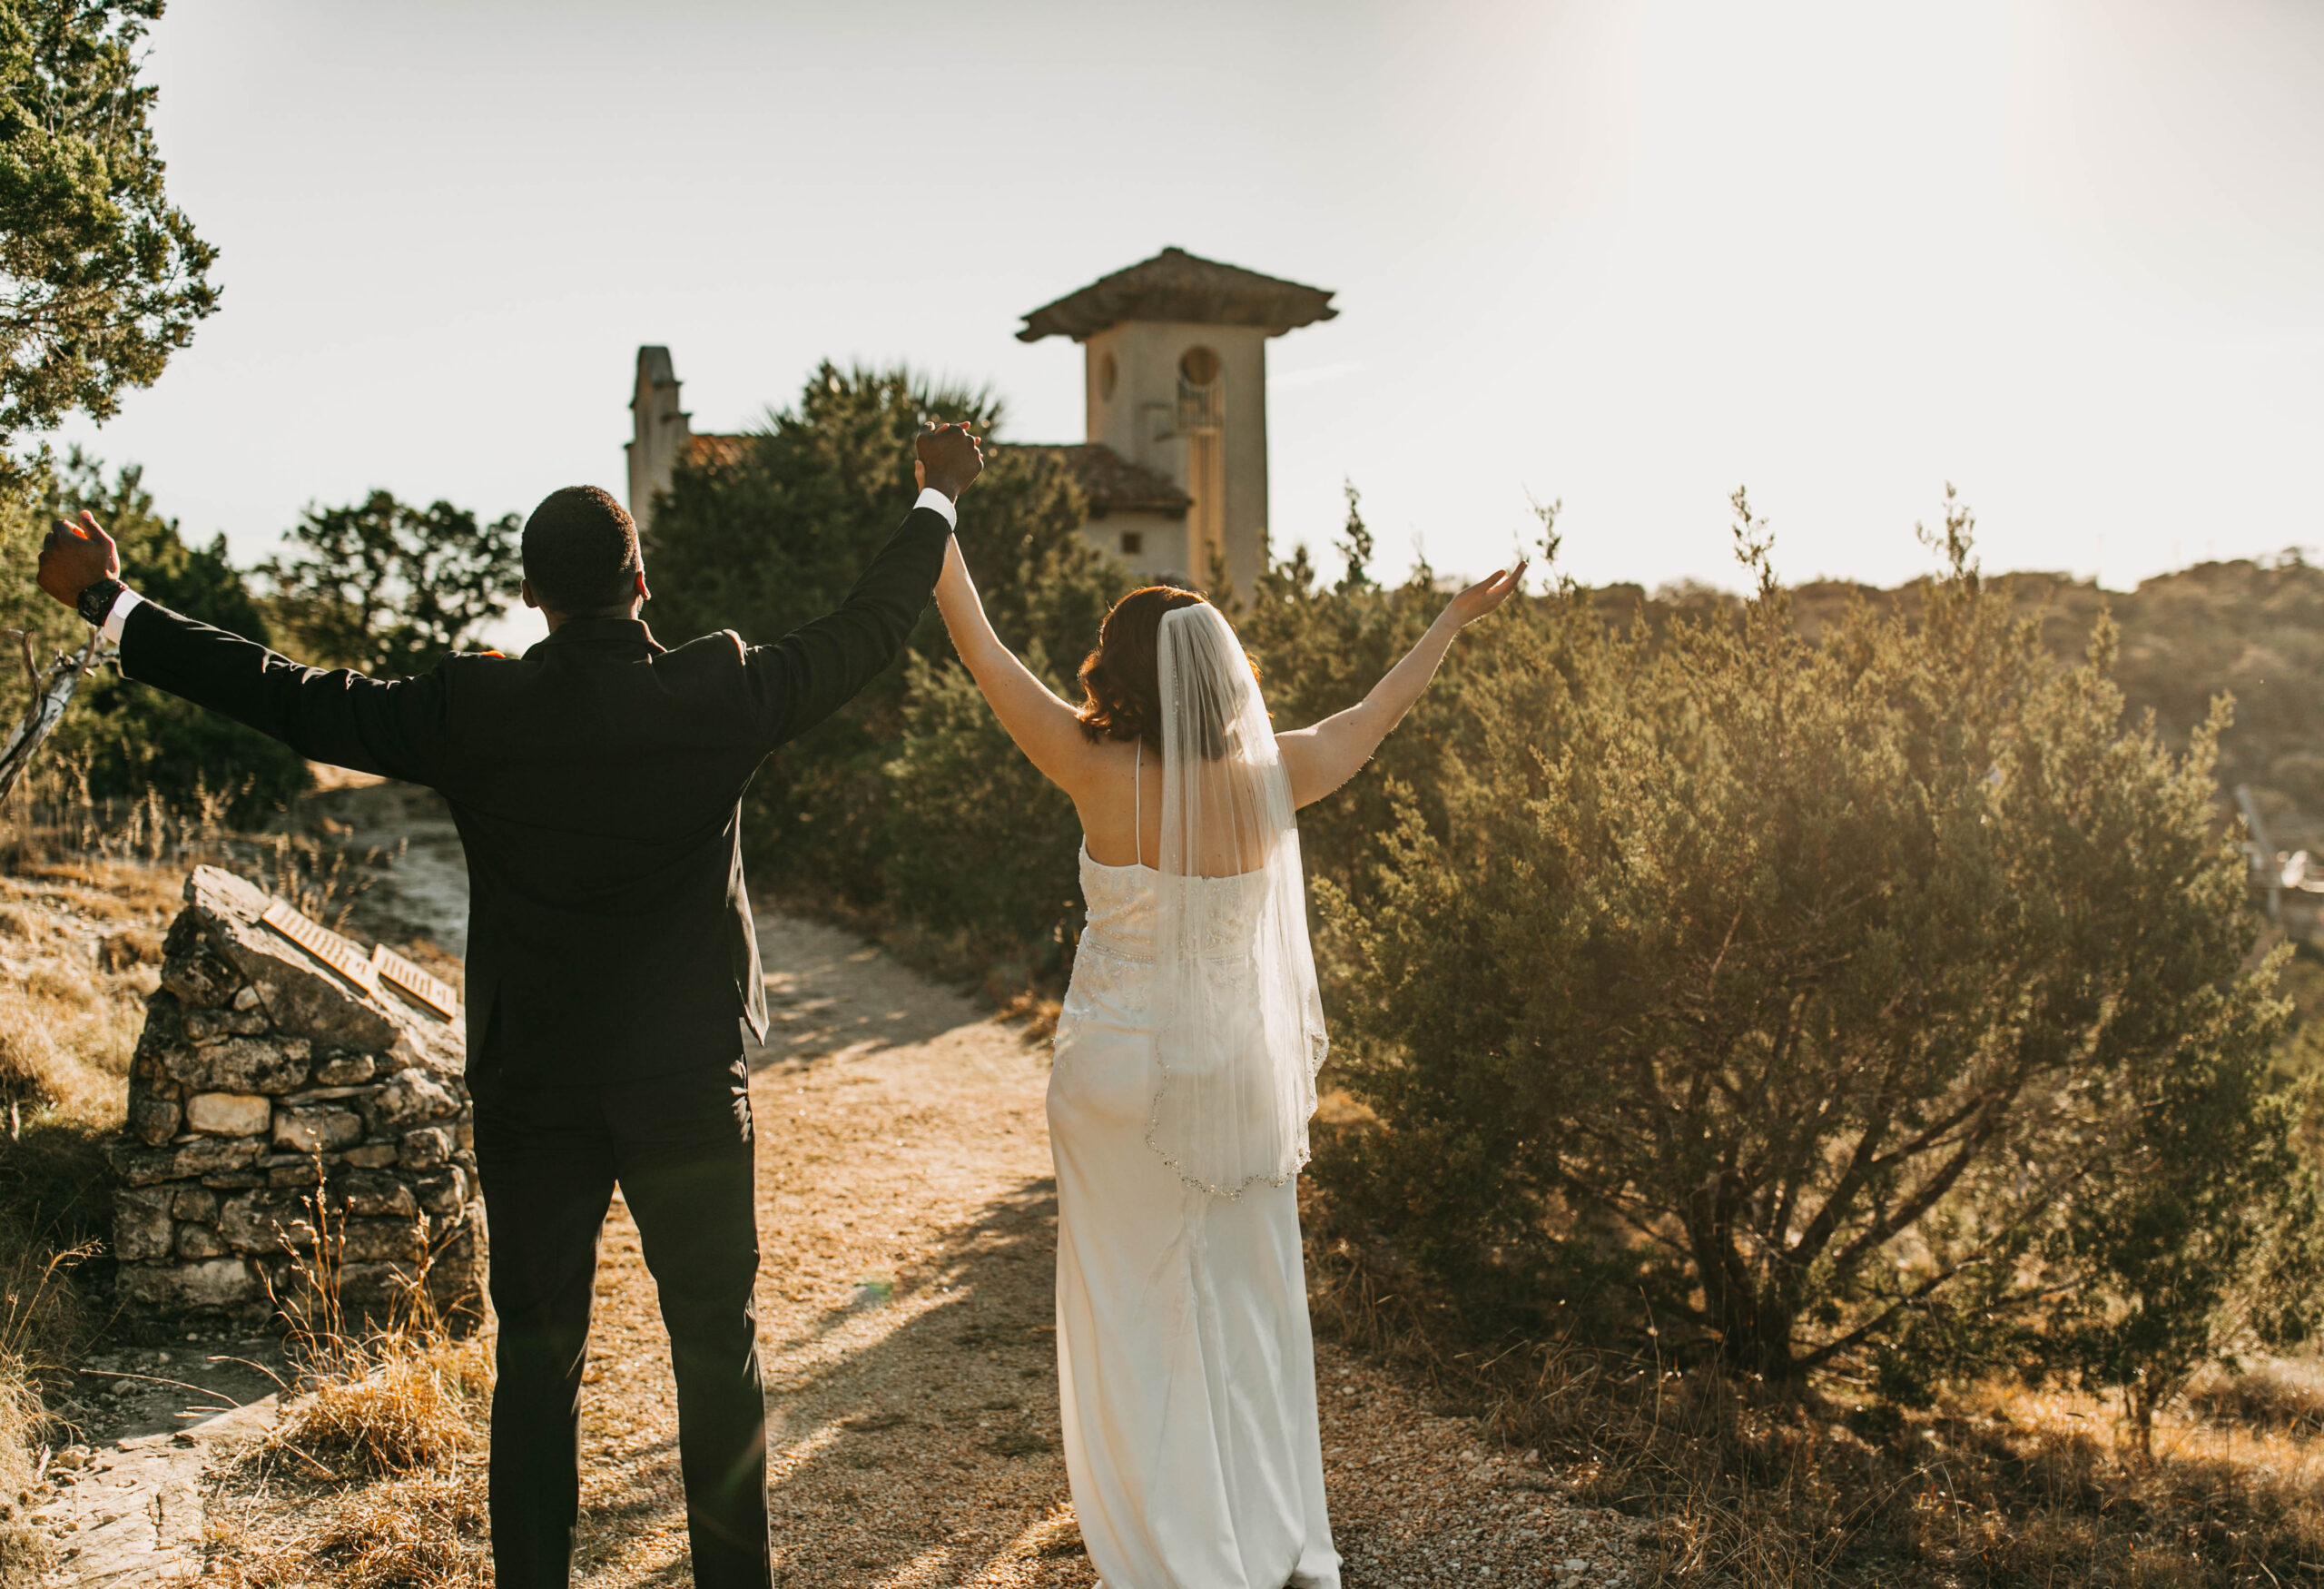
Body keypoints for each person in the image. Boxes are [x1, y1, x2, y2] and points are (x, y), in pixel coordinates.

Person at [34, 423, 986, 1589]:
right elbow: (870, 625)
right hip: (686, 1078)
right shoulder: (722, 685)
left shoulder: (471, 709)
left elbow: (284, 694)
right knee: (716, 1350)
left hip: (532, 1087)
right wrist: (936, 494)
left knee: (538, 1358)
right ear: (641, 581)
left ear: (529, 593)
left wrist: (113, 605)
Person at [929, 531, 1525, 1588]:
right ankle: (1259, 1529)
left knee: (1131, 1304)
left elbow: (981, 652)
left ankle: (1166, 1538)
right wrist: (1448, 621)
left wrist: (937, 514)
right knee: (1244, 1302)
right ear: (1224, 672)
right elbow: (1369, 719)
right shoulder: (1275, 774)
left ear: (1115, 672)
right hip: (1233, 1078)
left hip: (1111, 1076)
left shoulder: (1087, 762)